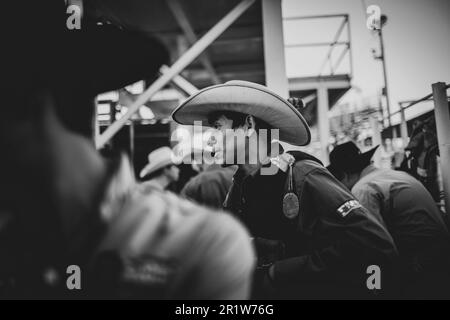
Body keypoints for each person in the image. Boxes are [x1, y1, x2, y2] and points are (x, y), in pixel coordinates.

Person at [0, 1, 255, 299]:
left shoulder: (201, 245)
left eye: (220, 130)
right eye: (213, 132)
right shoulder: (199, 237)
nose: (214, 140)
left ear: (28, 108)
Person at [172, 80, 398, 299]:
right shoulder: (239, 186)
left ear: (249, 125)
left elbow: (374, 245)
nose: (210, 142)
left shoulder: (302, 175)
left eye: (218, 128)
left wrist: (277, 272)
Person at [327, 141, 450, 298]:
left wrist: (374, 287)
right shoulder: (394, 175)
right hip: (441, 254)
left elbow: (374, 247)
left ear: (343, 175)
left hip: (421, 265)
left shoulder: (363, 189)